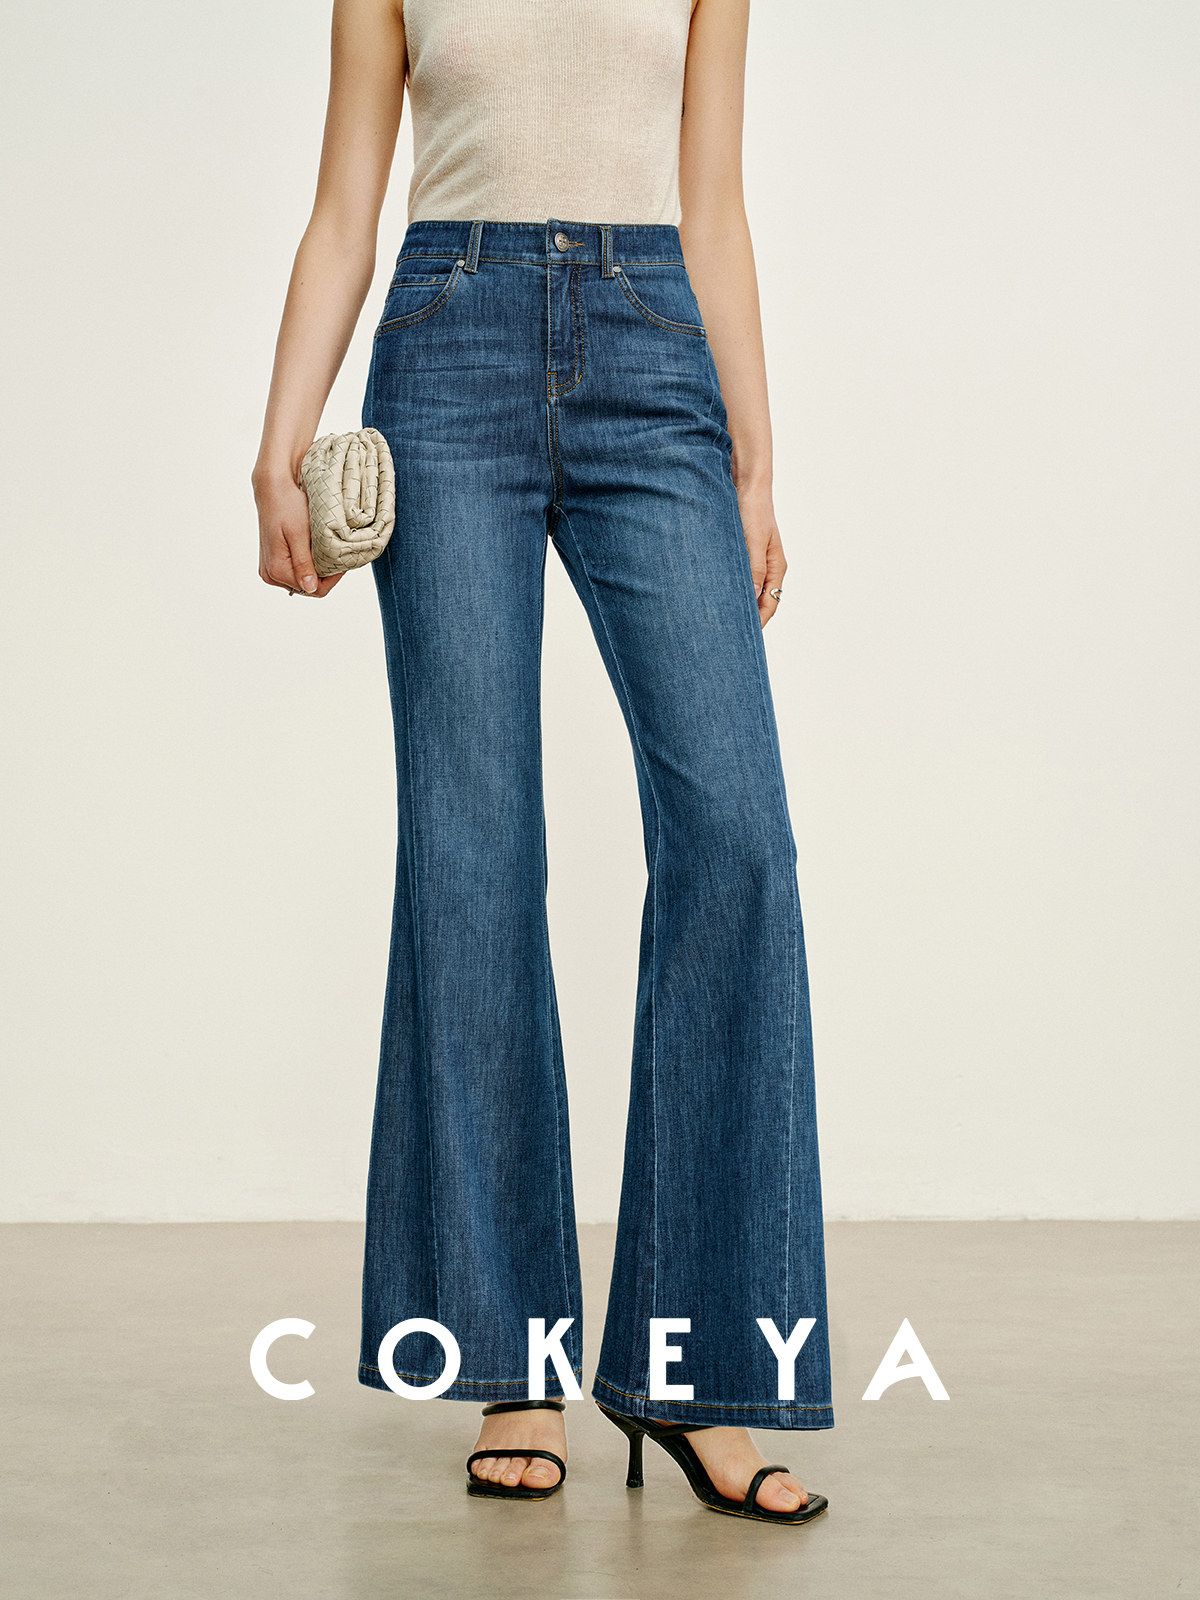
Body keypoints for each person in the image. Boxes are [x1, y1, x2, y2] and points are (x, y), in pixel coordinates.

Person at [252, 0, 833, 1525]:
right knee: (474, 853)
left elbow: (714, 203)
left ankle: (696, 1368)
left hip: (656, 350)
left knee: (739, 841)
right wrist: (277, 442)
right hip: (446, 354)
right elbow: (346, 210)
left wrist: (753, 463)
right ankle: (513, 1360)